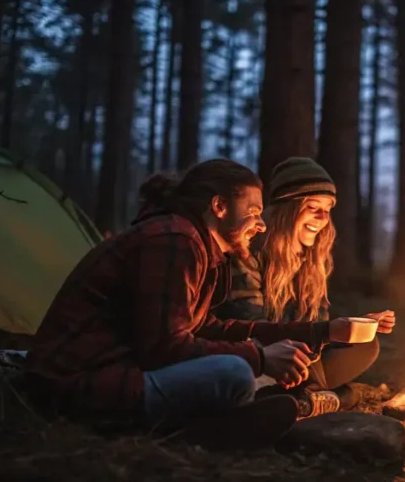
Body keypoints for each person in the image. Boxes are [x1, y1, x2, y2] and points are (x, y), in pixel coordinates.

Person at [23, 159, 364, 448]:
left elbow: (207, 327)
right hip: (77, 384)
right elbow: (163, 348)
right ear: (219, 207)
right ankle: (189, 432)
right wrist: (259, 357)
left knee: (239, 371)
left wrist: (319, 330)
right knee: (234, 373)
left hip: (118, 370)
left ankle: (235, 415)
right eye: (254, 211)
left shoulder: (199, 246)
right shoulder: (174, 239)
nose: (261, 225)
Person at [213, 157, 396, 413]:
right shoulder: (248, 252)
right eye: (312, 207)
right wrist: (318, 336)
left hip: (300, 359)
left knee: (366, 345)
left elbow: (315, 328)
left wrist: (356, 327)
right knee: (297, 357)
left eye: (328, 208)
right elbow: (252, 327)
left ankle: (312, 397)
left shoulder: (312, 260)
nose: (322, 217)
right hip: (260, 355)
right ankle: (322, 398)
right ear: (286, 210)